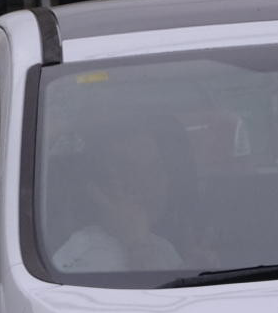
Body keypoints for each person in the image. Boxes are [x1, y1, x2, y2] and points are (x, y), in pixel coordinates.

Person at [53, 116, 185, 272]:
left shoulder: (163, 248)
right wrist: (138, 248)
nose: (153, 186)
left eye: (156, 170)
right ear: (99, 192)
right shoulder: (85, 256)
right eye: (132, 173)